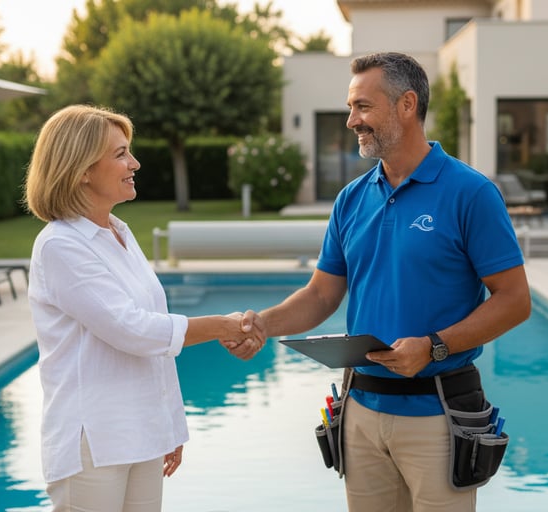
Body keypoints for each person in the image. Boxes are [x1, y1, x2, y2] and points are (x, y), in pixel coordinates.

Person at [225, 52, 531, 511]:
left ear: (407, 105)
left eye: (362, 107)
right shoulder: (351, 199)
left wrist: (433, 346)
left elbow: (515, 301)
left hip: (438, 416)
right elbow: (321, 293)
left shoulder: (471, 193)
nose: (351, 120)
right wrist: (264, 324)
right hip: (360, 414)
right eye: (352, 107)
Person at [24, 104, 264, 512]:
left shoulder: (120, 232)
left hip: (143, 435)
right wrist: (224, 325)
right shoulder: (60, 245)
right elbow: (131, 330)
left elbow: (153, 339)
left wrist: (170, 425)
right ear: (81, 169)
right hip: (92, 443)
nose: (134, 163)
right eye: (120, 154)